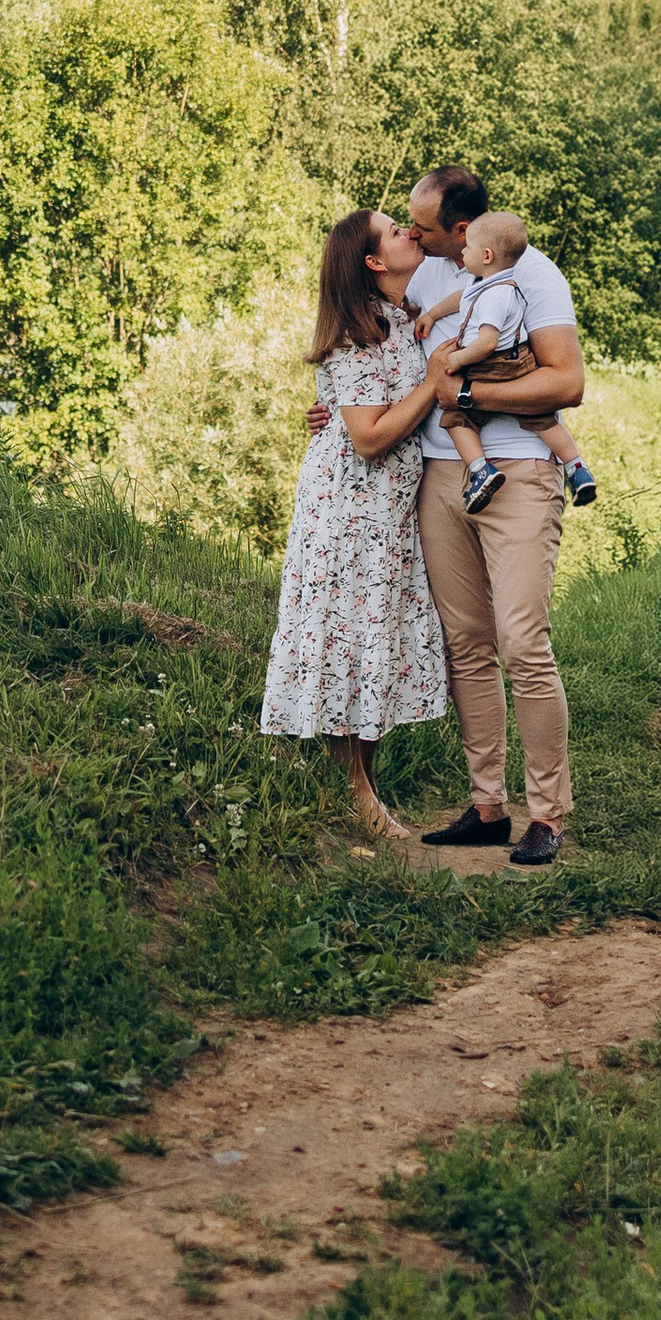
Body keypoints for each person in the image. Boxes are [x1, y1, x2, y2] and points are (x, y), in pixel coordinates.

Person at [405, 163, 584, 870]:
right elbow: (381, 353)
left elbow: (566, 381)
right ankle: (487, 807)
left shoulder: (532, 276)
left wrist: (468, 391)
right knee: (467, 644)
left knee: (523, 644)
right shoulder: (426, 274)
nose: (411, 237)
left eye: (421, 227)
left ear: (460, 232)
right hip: (440, 473)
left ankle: (546, 814)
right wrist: (333, 411)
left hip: (517, 474)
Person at [259, 207, 452, 842]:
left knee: (375, 646)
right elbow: (369, 438)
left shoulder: (401, 316)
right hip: (348, 514)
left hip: (387, 515)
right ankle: (358, 798)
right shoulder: (353, 336)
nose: (409, 233)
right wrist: (431, 383)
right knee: (349, 640)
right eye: (395, 231)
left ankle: (365, 791)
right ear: (372, 262)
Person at [443, 209, 599, 514]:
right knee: (542, 420)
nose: (462, 251)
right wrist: (433, 314)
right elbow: (462, 296)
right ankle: (577, 468)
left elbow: (487, 343)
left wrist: (456, 359)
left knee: (456, 418)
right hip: (520, 360)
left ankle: (480, 471)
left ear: (486, 255)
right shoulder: (497, 283)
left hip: (493, 365)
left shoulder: (492, 297)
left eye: (468, 247)